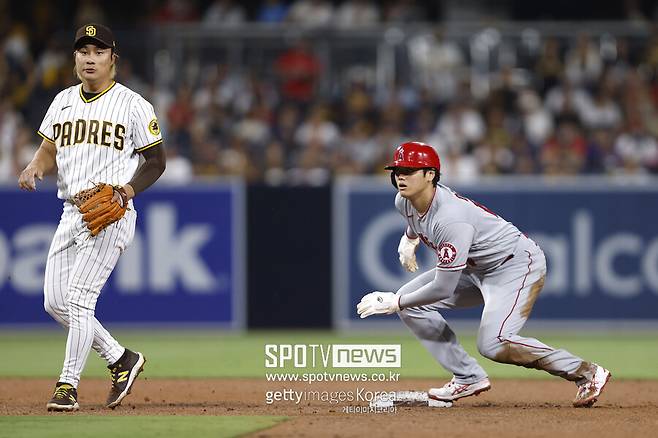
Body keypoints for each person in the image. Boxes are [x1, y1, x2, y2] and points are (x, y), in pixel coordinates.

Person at [356, 141, 611, 408]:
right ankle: (468, 377)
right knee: (411, 302)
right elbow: (415, 221)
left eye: (409, 170)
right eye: (397, 170)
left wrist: (394, 303)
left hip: (514, 265)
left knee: (492, 343)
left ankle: (587, 372)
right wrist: (409, 240)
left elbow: (443, 288)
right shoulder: (403, 201)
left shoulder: (451, 219)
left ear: (430, 174)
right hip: (475, 267)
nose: (400, 177)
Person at [18, 24, 166, 411]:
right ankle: (121, 358)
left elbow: (156, 161)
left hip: (110, 213)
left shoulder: (133, 104)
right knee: (55, 303)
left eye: (99, 51)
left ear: (113, 58)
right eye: (83, 51)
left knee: (80, 299)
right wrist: (35, 165)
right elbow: (49, 148)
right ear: (75, 58)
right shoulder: (63, 101)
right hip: (72, 211)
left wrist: (127, 191)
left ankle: (67, 386)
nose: (89, 57)